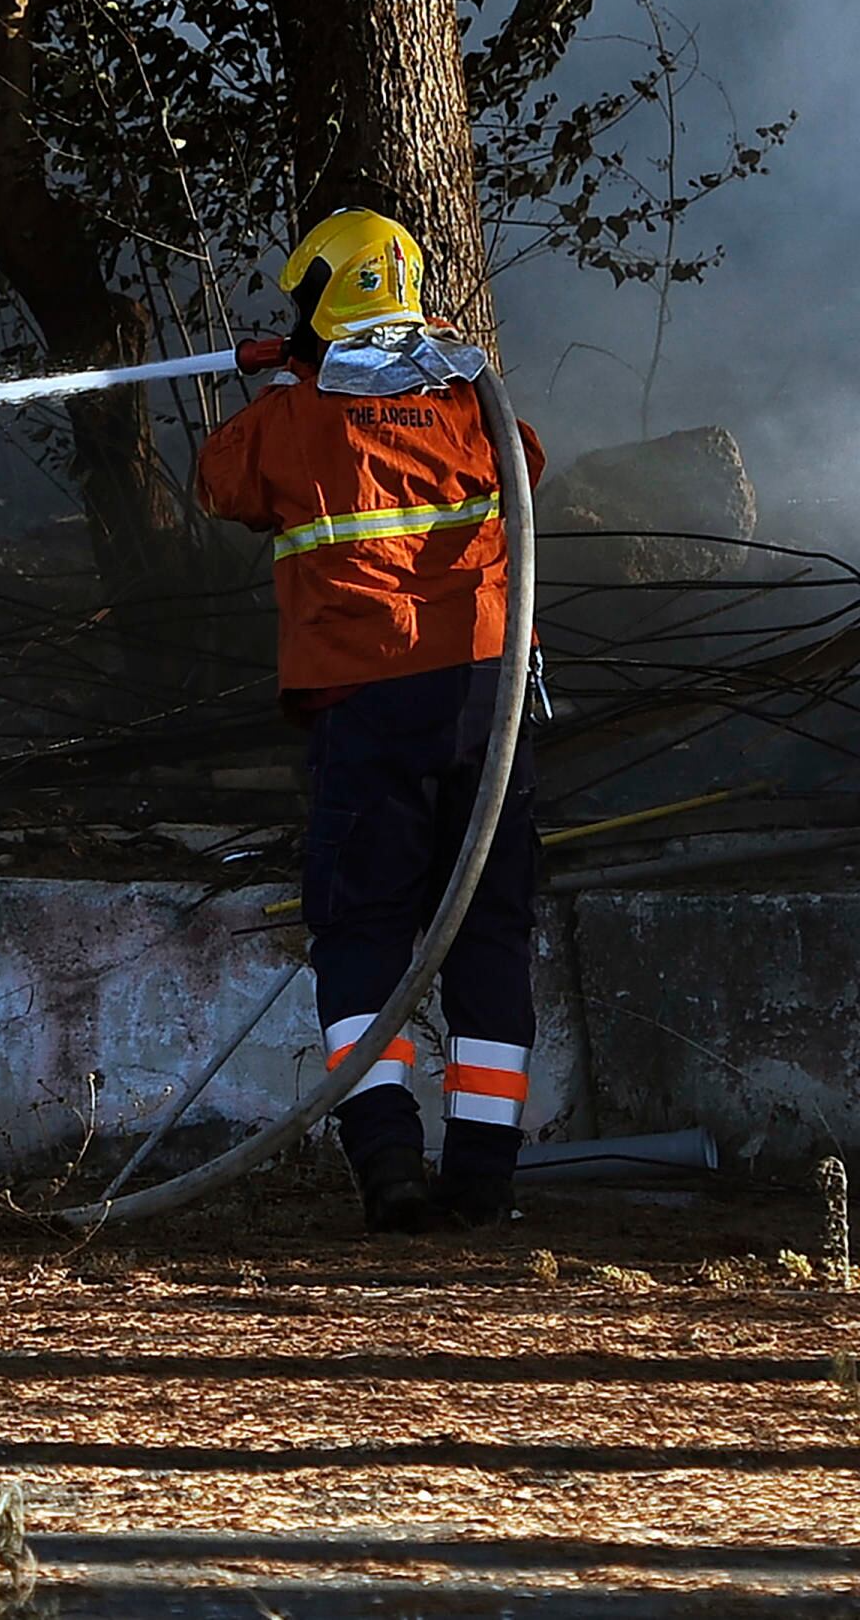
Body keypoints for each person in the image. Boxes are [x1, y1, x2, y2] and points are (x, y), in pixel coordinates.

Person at [197, 208, 547, 1234]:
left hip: (372, 703)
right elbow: (525, 461)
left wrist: (282, 381)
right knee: (489, 931)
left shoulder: (294, 418)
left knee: (363, 933)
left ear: (317, 302)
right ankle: (485, 1176)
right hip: (491, 703)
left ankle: (389, 1162)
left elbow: (221, 480)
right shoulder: (467, 398)